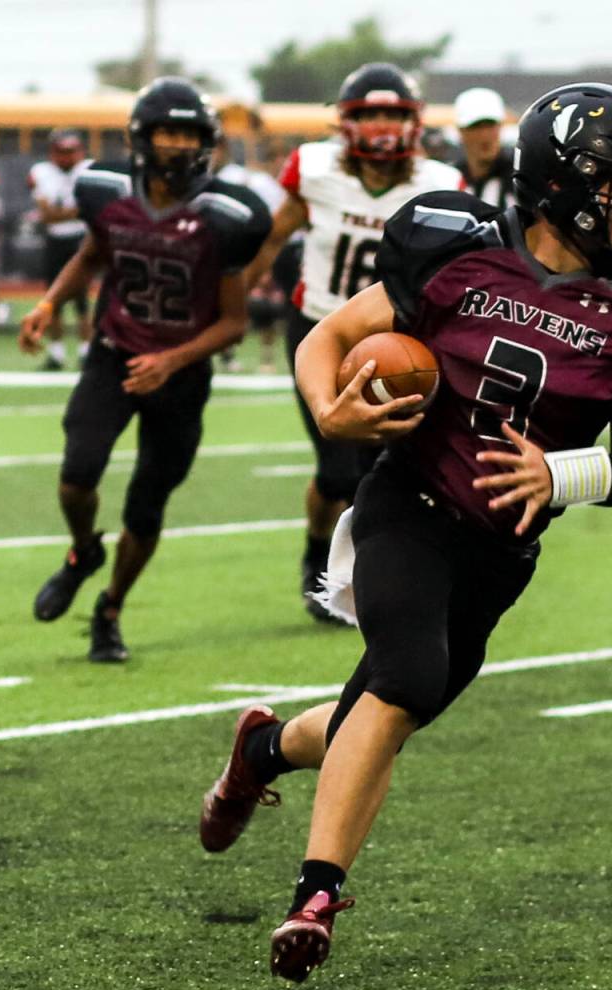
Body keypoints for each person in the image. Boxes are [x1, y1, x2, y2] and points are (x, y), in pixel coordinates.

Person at [199, 81, 612, 983]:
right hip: (409, 503)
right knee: (405, 679)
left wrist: (560, 472)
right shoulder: (452, 245)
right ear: (566, 184)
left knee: (380, 718)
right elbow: (330, 336)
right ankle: (314, 896)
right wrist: (332, 413)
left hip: (500, 551)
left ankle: (262, 752)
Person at [18, 78, 270, 663]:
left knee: (146, 505)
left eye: (189, 134)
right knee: (77, 475)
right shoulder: (106, 193)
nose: (179, 145)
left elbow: (234, 322)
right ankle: (84, 551)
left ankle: (109, 610)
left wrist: (172, 361)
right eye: (168, 132)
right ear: (142, 137)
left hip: (180, 373)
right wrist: (50, 303)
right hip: (114, 352)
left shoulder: (226, 214)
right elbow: (89, 257)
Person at [241, 63, 462, 621]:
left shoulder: (438, 183)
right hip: (321, 330)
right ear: (346, 123)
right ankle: (317, 555)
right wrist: (236, 297)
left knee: (381, 472)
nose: (383, 125)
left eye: (393, 114)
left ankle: (373, 576)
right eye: (371, 115)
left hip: (396, 342)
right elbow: (273, 237)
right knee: (338, 469)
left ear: (413, 123)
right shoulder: (314, 171)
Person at [212, 136, 288, 372]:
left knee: (264, 307)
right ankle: (226, 353)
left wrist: (264, 262)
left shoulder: (251, 180)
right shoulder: (210, 178)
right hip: (223, 251)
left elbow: (272, 224)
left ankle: (265, 357)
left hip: (249, 251)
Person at [28, 130, 92, 370]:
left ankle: (86, 352)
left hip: (81, 240)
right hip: (56, 241)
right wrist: (71, 213)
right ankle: (56, 354)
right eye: (61, 152)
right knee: (52, 299)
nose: (66, 158)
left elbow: (86, 210)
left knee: (82, 301)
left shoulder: (88, 170)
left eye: (70, 152)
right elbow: (47, 216)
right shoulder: (41, 172)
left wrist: (61, 215)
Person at [453, 86, 515, 209]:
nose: (485, 135)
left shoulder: (521, 178)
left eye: (490, 125)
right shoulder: (451, 179)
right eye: (476, 126)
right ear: (461, 131)